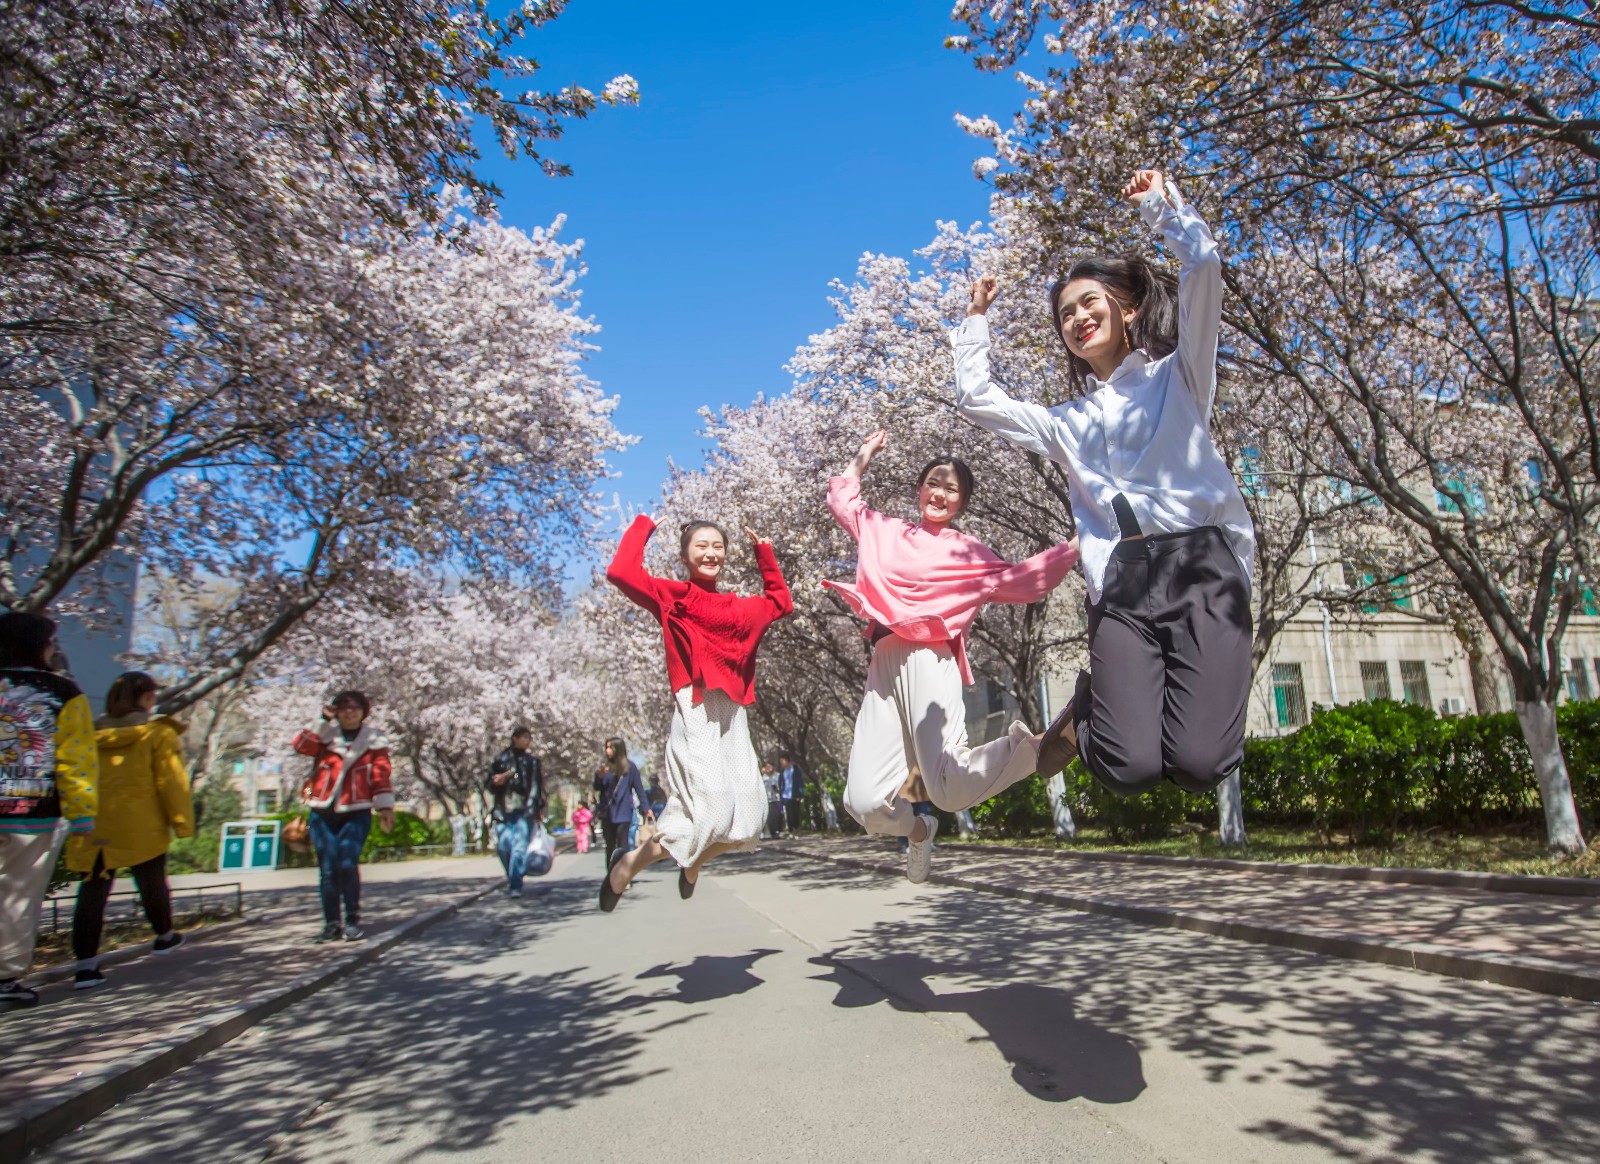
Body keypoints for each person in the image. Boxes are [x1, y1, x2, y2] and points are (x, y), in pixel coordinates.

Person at [954, 168, 1254, 798]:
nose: (1078, 317)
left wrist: (1158, 206)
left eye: (1090, 302)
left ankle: (1138, 717)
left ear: (1127, 309)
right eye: (1066, 313)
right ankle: (1086, 715)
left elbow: (1203, 266)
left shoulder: (1180, 377)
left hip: (1202, 565)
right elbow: (977, 399)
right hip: (1119, 579)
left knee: (1201, 763)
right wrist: (976, 321)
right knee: (1127, 768)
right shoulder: (1065, 423)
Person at [825, 434, 1079, 883]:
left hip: (929, 656)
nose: (939, 493)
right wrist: (863, 457)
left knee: (945, 786)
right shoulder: (885, 530)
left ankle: (1034, 747)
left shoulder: (966, 550)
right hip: (883, 661)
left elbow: (1024, 580)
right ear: (919, 489)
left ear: (961, 502)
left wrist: (1078, 545)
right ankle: (919, 831)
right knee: (862, 801)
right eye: (932, 483)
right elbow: (844, 501)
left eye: (952, 489)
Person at [600, 516, 792, 909]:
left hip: (733, 713)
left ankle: (683, 863)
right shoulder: (673, 596)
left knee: (751, 819)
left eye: (718, 546)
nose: (711, 553)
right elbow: (620, 572)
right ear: (685, 555)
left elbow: (779, 602)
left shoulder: (739, 607)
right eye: (701, 546)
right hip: (697, 706)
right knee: (715, 810)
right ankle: (628, 867)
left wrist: (765, 553)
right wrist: (644, 526)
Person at [67, 672, 194, 989]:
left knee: (92, 893)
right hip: (142, 824)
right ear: (146, 699)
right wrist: (182, 822)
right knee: (152, 883)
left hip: (95, 823)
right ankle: (164, 936)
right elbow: (172, 783)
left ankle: (85, 967)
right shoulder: (157, 734)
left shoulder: (89, 734)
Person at [0, 612, 98, 1010]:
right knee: (16, 896)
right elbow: (75, 761)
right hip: (31, 808)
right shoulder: (64, 693)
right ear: (39, 646)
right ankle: (4, 977)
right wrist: (82, 816)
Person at [292, 690, 395, 943]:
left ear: (363, 711)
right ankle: (331, 923)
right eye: (344, 707)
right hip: (322, 810)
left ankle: (351, 919)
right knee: (328, 869)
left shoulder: (374, 739)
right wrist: (322, 720)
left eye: (355, 707)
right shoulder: (325, 736)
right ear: (336, 710)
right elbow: (301, 746)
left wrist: (384, 806)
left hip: (356, 809)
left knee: (347, 863)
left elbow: (381, 773)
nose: (349, 712)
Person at [486, 727, 543, 898]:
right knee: (504, 848)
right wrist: (496, 781)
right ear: (515, 738)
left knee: (519, 847)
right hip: (503, 810)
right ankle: (515, 874)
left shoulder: (531, 762)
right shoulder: (501, 759)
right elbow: (488, 784)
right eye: (524, 737)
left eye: (529, 738)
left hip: (523, 810)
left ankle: (515, 884)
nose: (527, 741)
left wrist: (534, 808)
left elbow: (535, 787)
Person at [593, 739, 649, 870]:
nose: (607, 751)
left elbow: (639, 788)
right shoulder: (604, 768)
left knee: (623, 845)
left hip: (623, 812)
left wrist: (646, 808)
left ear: (618, 749)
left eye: (611, 748)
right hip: (607, 813)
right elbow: (597, 788)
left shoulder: (630, 767)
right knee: (610, 845)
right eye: (606, 747)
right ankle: (611, 875)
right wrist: (599, 777)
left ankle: (623, 874)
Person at [775, 752, 807, 834]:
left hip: (794, 795)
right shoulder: (782, 772)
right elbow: (781, 783)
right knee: (788, 813)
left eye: (782, 761)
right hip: (785, 795)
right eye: (780, 762)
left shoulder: (795, 770)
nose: (781, 763)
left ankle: (797, 829)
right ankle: (791, 830)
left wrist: (800, 794)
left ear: (787, 761)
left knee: (795, 812)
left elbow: (800, 782)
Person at [760, 760, 783, 838]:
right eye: (767, 767)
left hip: (778, 798)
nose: (768, 768)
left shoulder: (778, 775)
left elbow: (783, 786)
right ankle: (774, 833)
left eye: (770, 766)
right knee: (770, 817)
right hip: (768, 799)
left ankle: (779, 831)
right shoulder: (763, 777)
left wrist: (778, 789)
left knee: (779, 815)